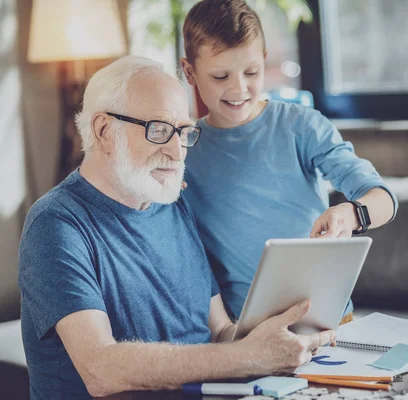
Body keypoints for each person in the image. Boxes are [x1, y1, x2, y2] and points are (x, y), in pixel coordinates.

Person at [18, 55, 336, 400]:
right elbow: (100, 368)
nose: (176, 151)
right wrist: (247, 356)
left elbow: (219, 331)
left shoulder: (171, 205)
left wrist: (275, 341)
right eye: (159, 130)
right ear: (104, 131)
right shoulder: (56, 223)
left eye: (184, 132)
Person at [180, 0, 398, 321]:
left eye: (251, 72)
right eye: (220, 76)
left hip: (329, 321)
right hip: (245, 333)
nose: (238, 88)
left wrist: (350, 214)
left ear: (264, 61)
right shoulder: (183, 150)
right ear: (190, 72)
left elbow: (384, 199)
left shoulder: (302, 126)